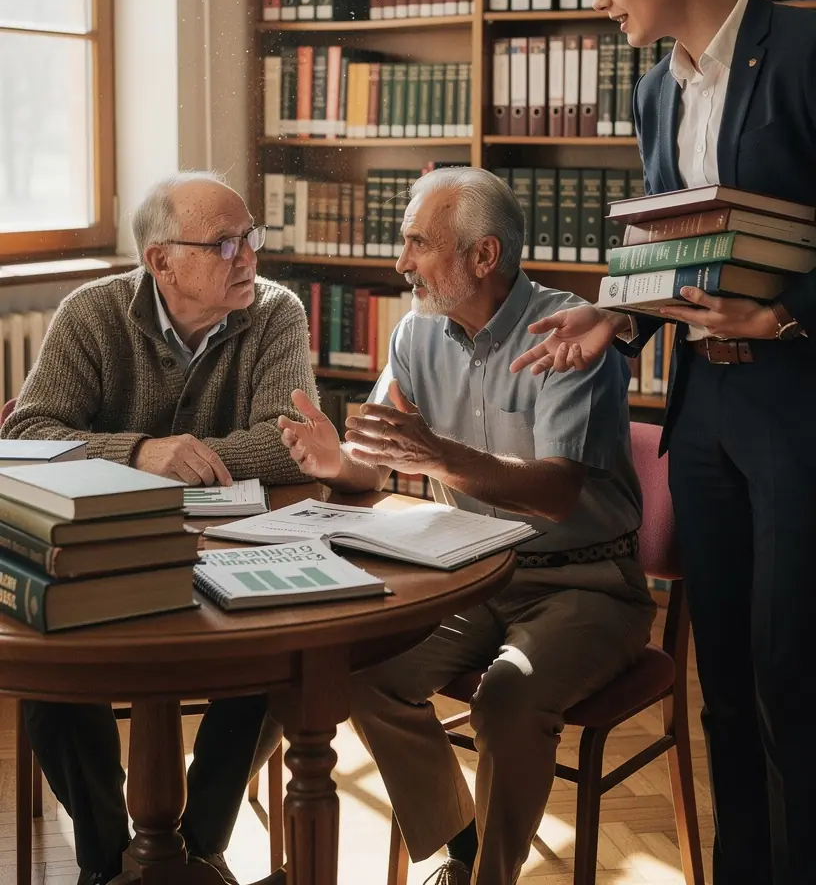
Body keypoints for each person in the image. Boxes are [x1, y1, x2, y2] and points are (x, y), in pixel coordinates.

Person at [511, 0, 816, 885]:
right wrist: (615, 315)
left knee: (791, 671)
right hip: (704, 408)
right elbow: (669, 245)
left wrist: (780, 313)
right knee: (721, 676)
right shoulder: (654, 91)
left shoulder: (808, 52)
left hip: (796, 402)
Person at [276, 167, 655, 885]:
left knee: (508, 699)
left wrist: (442, 458)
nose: (401, 262)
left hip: (591, 585)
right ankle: (463, 844)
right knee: (357, 675)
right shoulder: (418, 333)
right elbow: (378, 461)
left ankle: (492, 881)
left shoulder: (566, 335)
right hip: (474, 577)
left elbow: (555, 493)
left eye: (418, 243)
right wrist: (338, 461)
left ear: (483, 257)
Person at [2, 169, 317, 885]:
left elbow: (288, 437)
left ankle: (199, 849)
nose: (249, 258)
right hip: (105, 552)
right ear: (161, 261)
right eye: (225, 244)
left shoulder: (278, 312)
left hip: (236, 548)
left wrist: (190, 461)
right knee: (53, 678)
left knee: (281, 653)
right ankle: (109, 860)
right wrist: (141, 452)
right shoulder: (93, 313)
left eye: (251, 238)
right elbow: (27, 431)